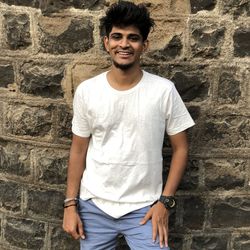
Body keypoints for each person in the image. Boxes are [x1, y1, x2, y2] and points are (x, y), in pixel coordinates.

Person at [62, 1, 195, 249]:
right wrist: (70, 205)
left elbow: (181, 149)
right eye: (117, 37)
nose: (124, 44)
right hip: (94, 207)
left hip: (145, 208)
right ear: (106, 43)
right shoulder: (88, 91)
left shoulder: (163, 90)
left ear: (144, 45)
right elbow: (78, 150)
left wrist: (165, 202)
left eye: (133, 38)